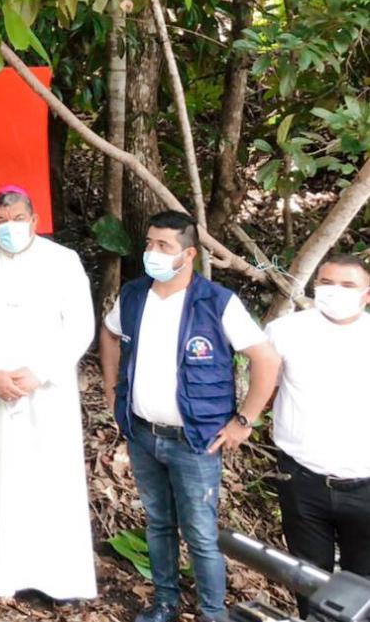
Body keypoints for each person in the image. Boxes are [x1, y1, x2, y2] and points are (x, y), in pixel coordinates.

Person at [99, 211, 280, 622]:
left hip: (195, 440)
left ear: (189, 254)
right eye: (149, 243)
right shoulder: (134, 295)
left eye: (164, 245)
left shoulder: (216, 302)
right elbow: (109, 333)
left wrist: (244, 421)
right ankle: (165, 603)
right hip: (143, 433)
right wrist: (112, 390)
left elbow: (266, 359)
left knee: (200, 533)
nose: (152, 252)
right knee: (158, 523)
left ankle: (212, 613)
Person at [0, 185, 97, 601]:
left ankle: (58, 578)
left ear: (34, 220)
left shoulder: (63, 261)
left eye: (17, 219)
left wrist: (40, 373)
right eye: (0, 221)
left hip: (46, 391)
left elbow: (80, 326)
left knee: (50, 477)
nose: (9, 227)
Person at [264, 253, 370, 617]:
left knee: (363, 585)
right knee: (308, 577)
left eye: (347, 285)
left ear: (366, 293)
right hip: (302, 479)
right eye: (326, 283)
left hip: (365, 484)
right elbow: (267, 390)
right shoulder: (285, 331)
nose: (334, 291)